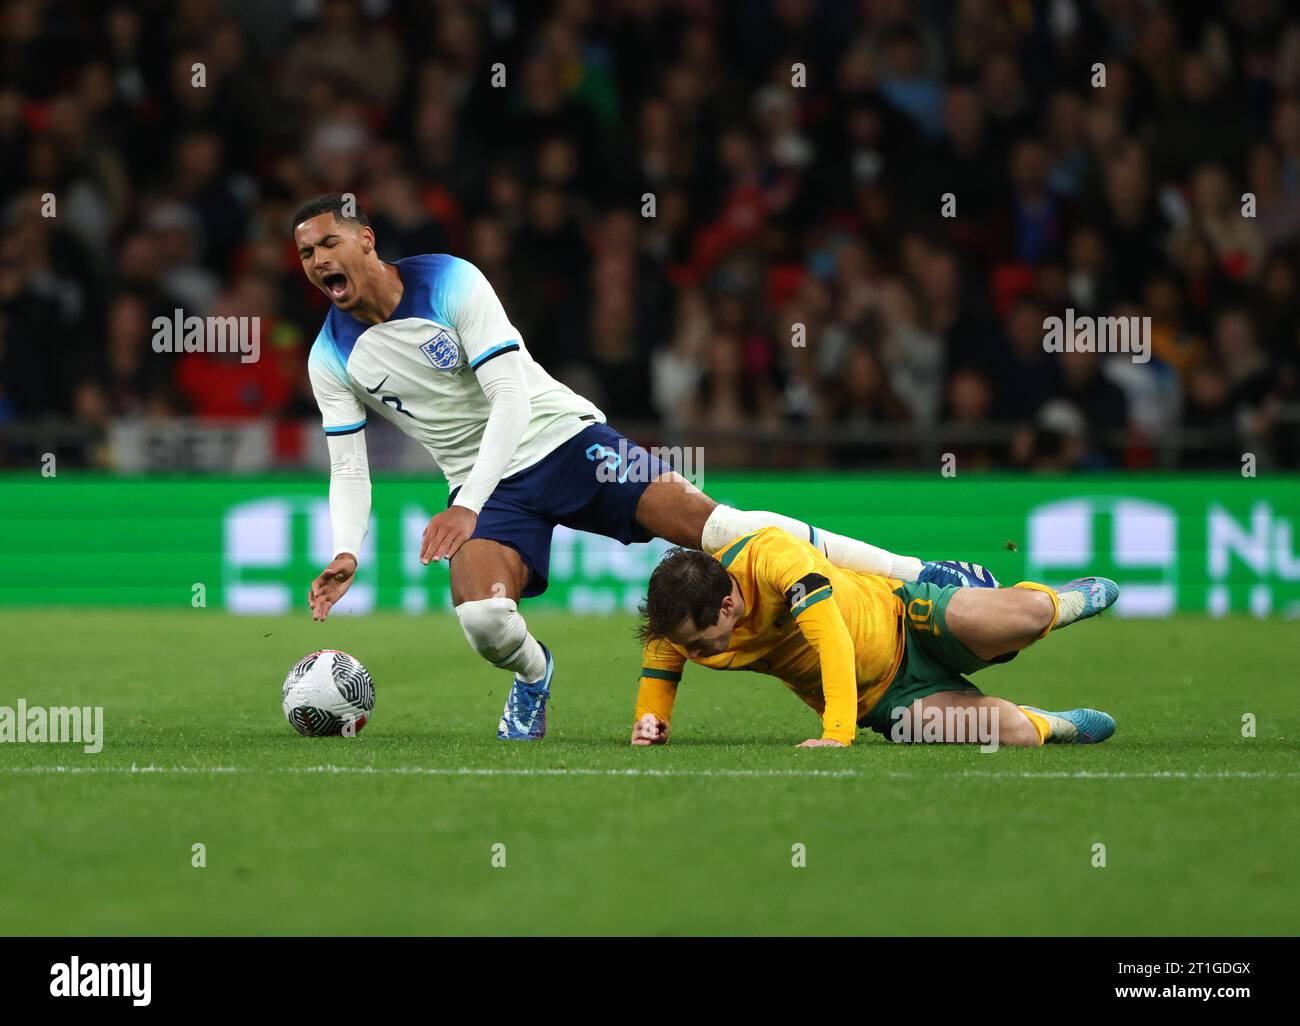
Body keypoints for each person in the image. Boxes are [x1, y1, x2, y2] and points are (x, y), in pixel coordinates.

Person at [292, 193, 991, 740]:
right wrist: (347, 550)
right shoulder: (330, 355)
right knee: (484, 624)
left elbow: (508, 399)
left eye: (329, 241)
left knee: (723, 529)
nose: (319, 259)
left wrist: (466, 502)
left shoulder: (450, 281)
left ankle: (919, 572)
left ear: (365, 240)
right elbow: (348, 464)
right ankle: (535, 678)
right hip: (489, 493)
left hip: (566, 443)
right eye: (305, 253)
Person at [630, 528, 1117, 748]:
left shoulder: (774, 558)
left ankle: (1060, 604)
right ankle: (1054, 724)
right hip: (883, 699)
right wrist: (650, 723)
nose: (691, 654)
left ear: (728, 605)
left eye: (697, 643)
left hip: (906, 618)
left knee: (1024, 616)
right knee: (1010, 733)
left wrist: (835, 735)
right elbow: (660, 660)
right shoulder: (681, 621)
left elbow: (833, 641)